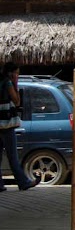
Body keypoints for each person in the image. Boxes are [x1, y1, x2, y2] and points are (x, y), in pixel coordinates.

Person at [0, 62, 38, 191]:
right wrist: (15, 83)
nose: (17, 75)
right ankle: (23, 182)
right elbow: (16, 101)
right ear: (12, 73)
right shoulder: (8, 83)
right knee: (13, 156)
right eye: (17, 73)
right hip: (7, 124)